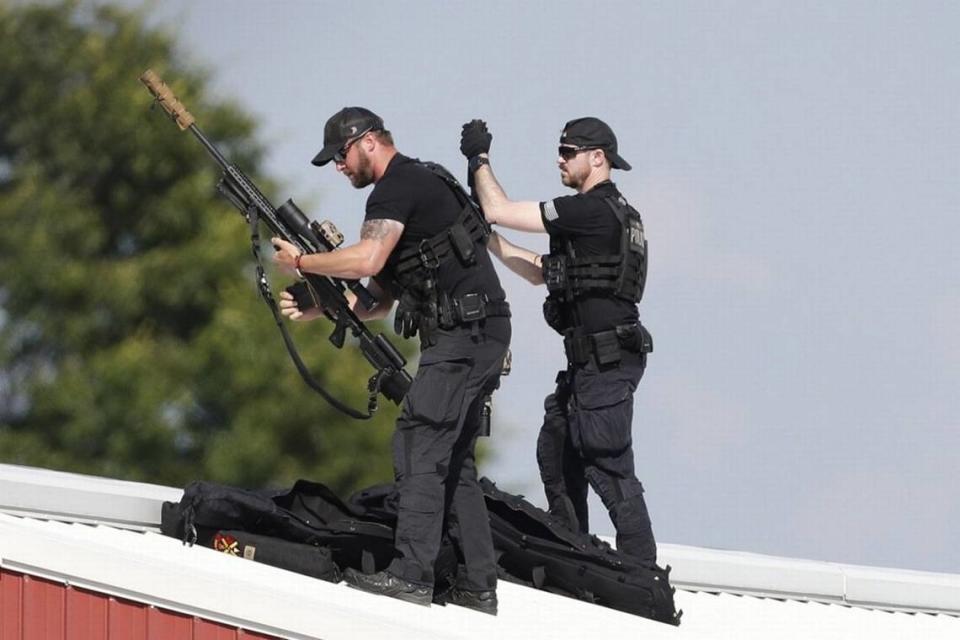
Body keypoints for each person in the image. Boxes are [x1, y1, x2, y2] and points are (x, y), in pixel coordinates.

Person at [273, 107, 510, 614]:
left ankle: (411, 576)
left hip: (463, 334)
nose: (339, 166)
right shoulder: (416, 185)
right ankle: (476, 583)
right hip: (475, 331)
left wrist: (302, 261)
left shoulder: (397, 186)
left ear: (368, 143)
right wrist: (319, 304)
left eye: (340, 155)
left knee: (419, 441)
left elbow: (366, 260)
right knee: (454, 459)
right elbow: (377, 298)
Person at [459, 117, 657, 567]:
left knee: (607, 466)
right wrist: (486, 238)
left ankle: (643, 575)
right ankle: (575, 556)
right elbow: (537, 269)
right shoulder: (609, 217)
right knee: (557, 451)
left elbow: (498, 207)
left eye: (568, 152)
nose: (559, 159)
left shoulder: (589, 210)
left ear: (597, 158)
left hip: (605, 361)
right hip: (593, 364)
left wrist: (479, 159)